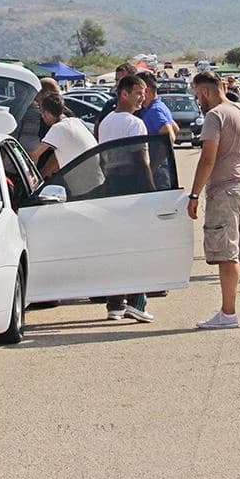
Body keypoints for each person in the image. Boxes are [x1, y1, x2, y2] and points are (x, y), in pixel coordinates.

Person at [188, 71, 240, 329]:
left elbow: (208, 158)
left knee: (228, 254)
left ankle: (228, 313)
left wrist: (194, 193)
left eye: (196, 94)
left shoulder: (214, 116)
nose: (197, 100)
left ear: (204, 92)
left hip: (226, 191)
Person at [96, 74, 154, 323]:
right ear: (124, 94)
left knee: (114, 247)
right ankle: (137, 302)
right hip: (132, 188)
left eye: (144, 92)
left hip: (110, 186)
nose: (143, 97)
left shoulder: (106, 122)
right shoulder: (135, 124)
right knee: (138, 246)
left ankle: (115, 304)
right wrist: (152, 191)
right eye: (138, 92)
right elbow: (141, 160)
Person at [32, 93, 99, 183]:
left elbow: (34, 155)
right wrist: (41, 176)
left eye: (42, 113)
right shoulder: (75, 121)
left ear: (47, 113)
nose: (42, 117)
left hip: (84, 183)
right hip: (95, 178)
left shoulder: (58, 128)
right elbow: (55, 159)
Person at [135, 71, 176, 188]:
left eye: (139, 91)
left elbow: (170, 135)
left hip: (158, 173)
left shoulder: (155, 110)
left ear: (146, 90)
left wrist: (154, 166)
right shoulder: (159, 106)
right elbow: (175, 128)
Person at [94, 62, 136, 138]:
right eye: (117, 80)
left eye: (122, 80)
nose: (118, 84)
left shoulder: (142, 106)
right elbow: (98, 126)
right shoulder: (111, 104)